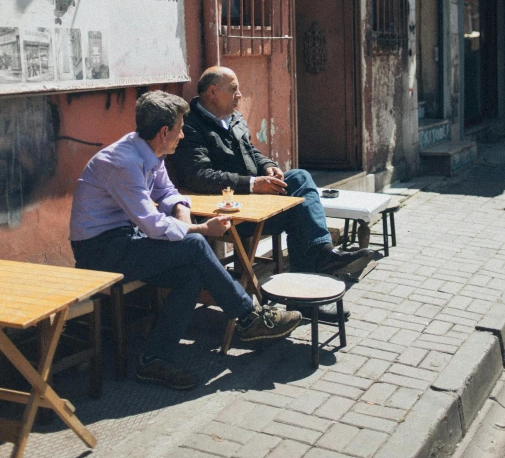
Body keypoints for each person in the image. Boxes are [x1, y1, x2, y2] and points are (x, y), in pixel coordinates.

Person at [70, 91, 301, 391]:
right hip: (99, 250)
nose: (182, 135)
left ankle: (153, 360)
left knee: (189, 273)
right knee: (193, 246)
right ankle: (249, 318)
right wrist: (202, 230)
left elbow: (168, 194)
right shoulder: (123, 162)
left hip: (125, 240)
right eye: (180, 128)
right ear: (164, 132)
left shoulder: (149, 152)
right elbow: (152, 226)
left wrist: (183, 214)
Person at [170, 67, 375, 318]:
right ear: (213, 91)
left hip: (257, 201)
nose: (240, 95)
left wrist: (268, 165)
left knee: (299, 179)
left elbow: (251, 152)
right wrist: (253, 183)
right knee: (301, 215)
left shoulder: (233, 117)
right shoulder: (191, 126)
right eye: (234, 89)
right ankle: (310, 287)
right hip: (229, 213)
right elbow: (198, 175)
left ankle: (320, 254)